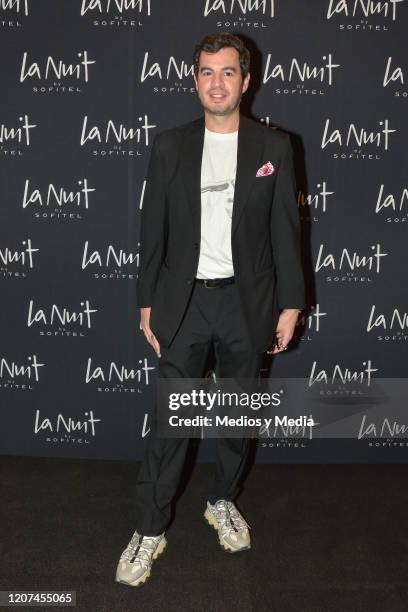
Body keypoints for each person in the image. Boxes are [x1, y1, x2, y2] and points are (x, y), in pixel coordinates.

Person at [115, 32, 305, 587]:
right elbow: (153, 232)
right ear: (194, 79)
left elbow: (286, 233)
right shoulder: (171, 145)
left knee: (236, 418)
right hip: (185, 302)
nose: (216, 82)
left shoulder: (274, 147)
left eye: (227, 72)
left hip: (249, 305)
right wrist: (147, 302)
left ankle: (221, 499)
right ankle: (149, 528)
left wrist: (291, 304)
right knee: (173, 422)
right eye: (206, 71)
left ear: (246, 81)